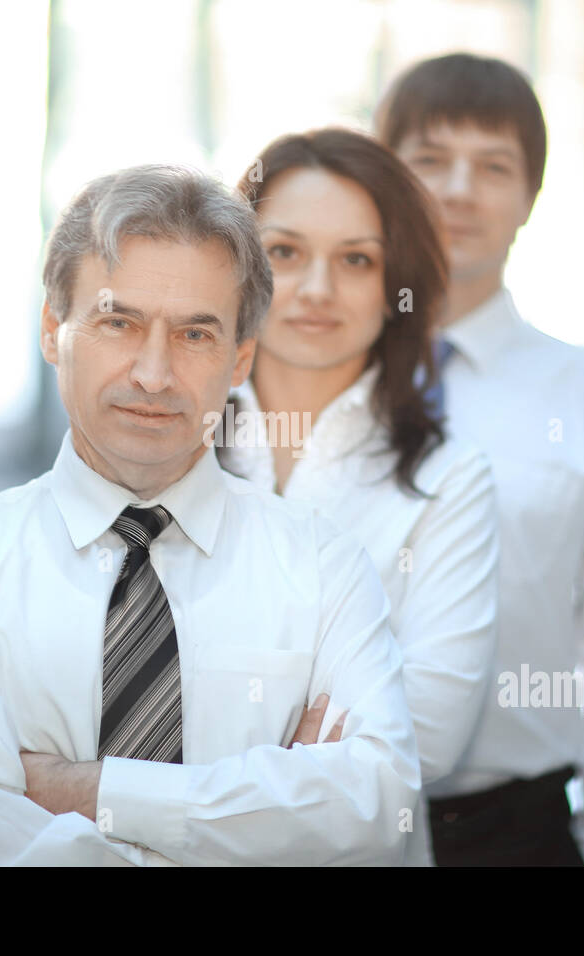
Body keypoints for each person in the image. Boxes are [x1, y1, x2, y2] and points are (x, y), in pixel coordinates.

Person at [0, 164, 421, 866]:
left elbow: (376, 805)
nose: (154, 375)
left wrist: (83, 790)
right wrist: (266, 812)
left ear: (239, 360)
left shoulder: (323, 567)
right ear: (53, 330)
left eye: (196, 335)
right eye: (117, 322)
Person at [375, 52, 584, 867]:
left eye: (494, 165)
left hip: (513, 831)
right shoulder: (307, 380)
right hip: (307, 823)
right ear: (384, 184)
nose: (459, 189)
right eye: (430, 159)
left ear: (530, 198)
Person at [218, 128, 499, 866]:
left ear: (396, 285)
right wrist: (324, 747)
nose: (316, 290)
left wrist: (202, 740)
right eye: (284, 252)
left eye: (356, 260)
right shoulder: (163, 442)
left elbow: (426, 740)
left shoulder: (449, 478)